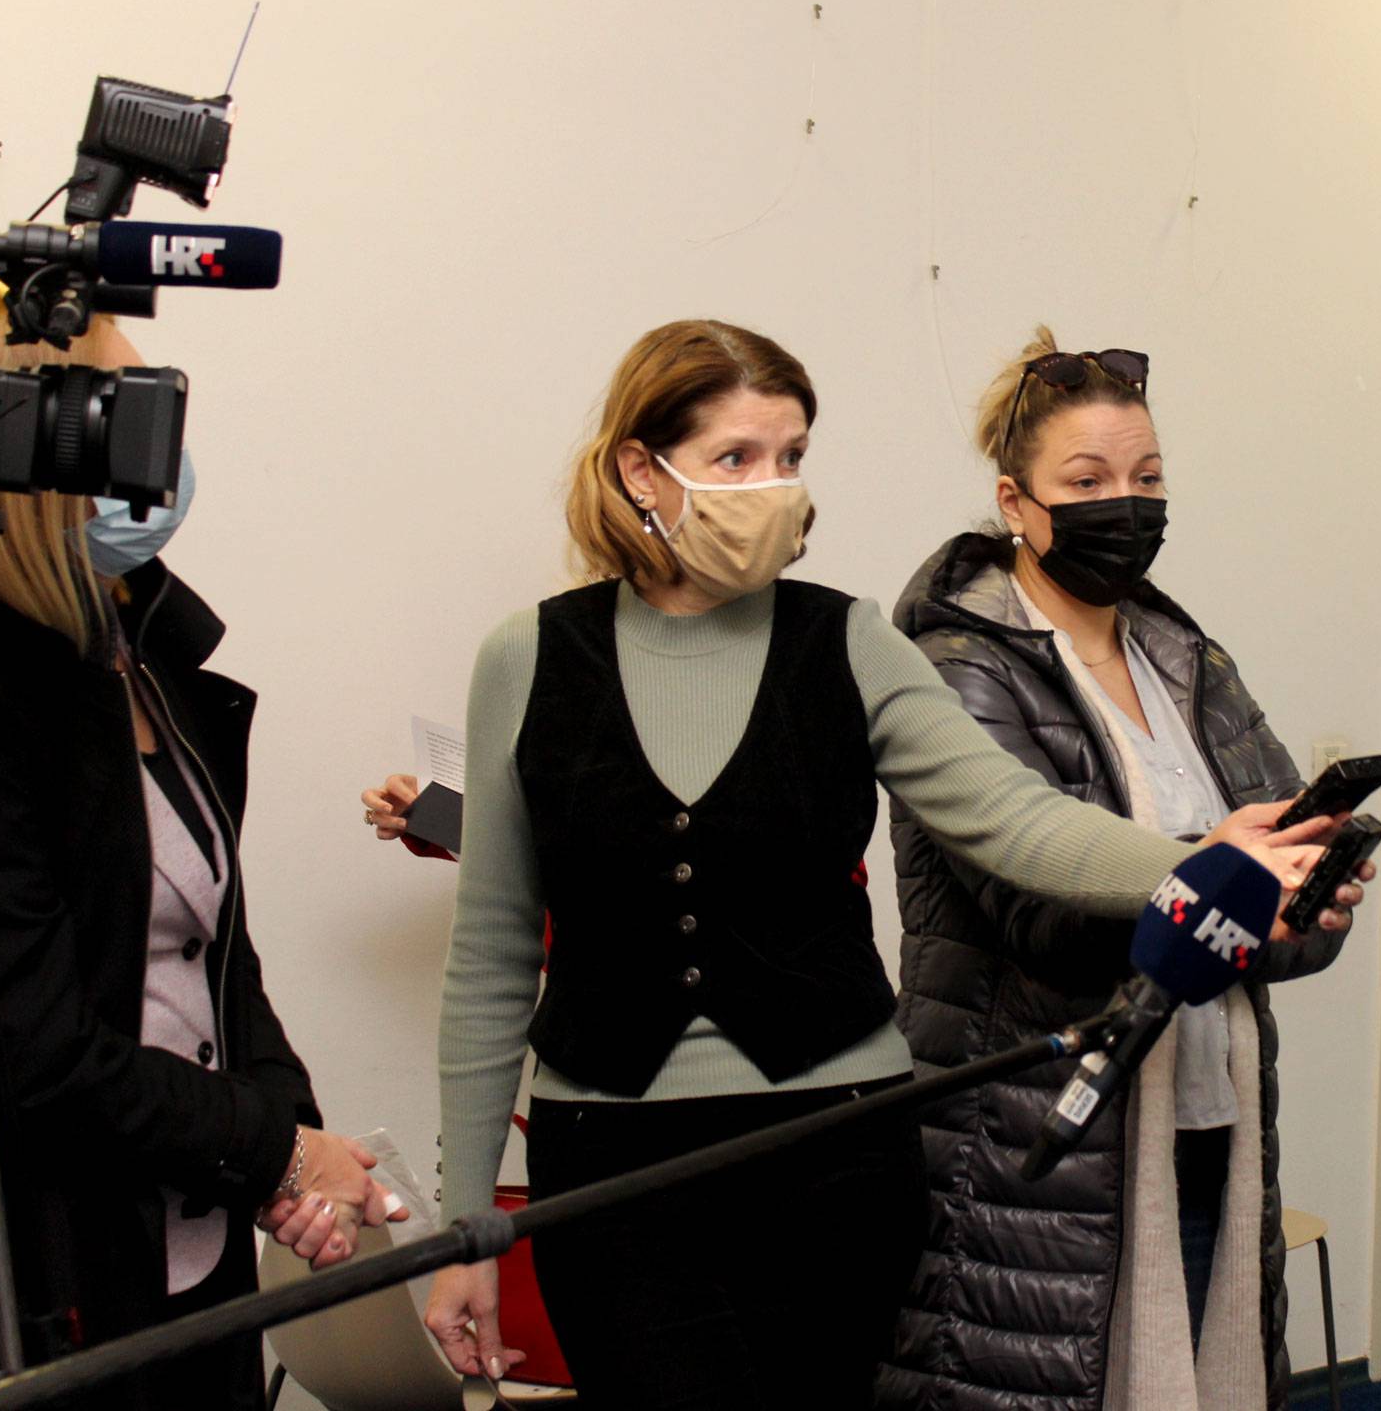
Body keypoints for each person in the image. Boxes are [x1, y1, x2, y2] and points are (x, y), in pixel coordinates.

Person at [421, 319, 1328, 1411]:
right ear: (639, 471)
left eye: (791, 456)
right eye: (735, 458)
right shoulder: (525, 658)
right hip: (610, 1159)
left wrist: (1202, 862)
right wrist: (464, 1226)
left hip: (835, 1148)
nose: (771, 487)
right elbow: (491, 955)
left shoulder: (848, 642)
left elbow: (1014, 821)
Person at [0, 313, 399, 1411]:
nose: (167, 452)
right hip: (58, 1269)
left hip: (199, 1241)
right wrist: (275, 1152)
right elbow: (37, 1052)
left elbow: (216, 948)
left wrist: (290, 1142)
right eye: (134, 416)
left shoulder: (140, 657)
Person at [878, 331, 1363, 1411]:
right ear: (1015, 502)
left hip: (1209, 1127)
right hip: (1035, 1145)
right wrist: (1225, 886)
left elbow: (1278, 894)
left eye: (1146, 479)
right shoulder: (959, 666)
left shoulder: (1186, 657)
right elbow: (1039, 915)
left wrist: (1303, 900)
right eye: (1089, 482)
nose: (1126, 506)